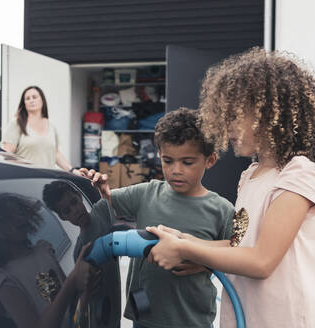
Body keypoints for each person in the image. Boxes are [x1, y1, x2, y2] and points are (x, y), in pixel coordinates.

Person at [146, 47, 315, 328]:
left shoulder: (297, 172)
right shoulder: (251, 175)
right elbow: (240, 245)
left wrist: (189, 250)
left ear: (270, 113)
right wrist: (185, 241)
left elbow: (261, 260)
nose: (226, 128)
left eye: (234, 117)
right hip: (246, 316)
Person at [82, 108, 235, 328]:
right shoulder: (147, 193)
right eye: (168, 161)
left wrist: (204, 262)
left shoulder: (221, 209)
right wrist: (94, 187)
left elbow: (236, 253)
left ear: (209, 160)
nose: (176, 170)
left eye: (187, 162)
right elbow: (105, 205)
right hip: (144, 317)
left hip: (191, 320)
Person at [0, 192, 94, 328]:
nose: (19, 218)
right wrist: (73, 280)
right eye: (8, 218)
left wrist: (86, 287)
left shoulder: (43, 249)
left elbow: (72, 302)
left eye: (19, 212)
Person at [43, 180, 123, 328]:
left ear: (79, 196)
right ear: (63, 217)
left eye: (74, 202)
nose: (75, 210)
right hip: (101, 317)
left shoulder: (102, 210)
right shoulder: (80, 251)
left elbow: (121, 216)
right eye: (67, 211)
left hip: (116, 306)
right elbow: (87, 290)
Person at [0, 86, 76, 172]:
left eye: (34, 97)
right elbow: (7, 156)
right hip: (25, 179)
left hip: (48, 181)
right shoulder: (16, 123)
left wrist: (72, 170)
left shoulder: (51, 125)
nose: (31, 100)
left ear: (42, 100)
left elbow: (55, 154)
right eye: (27, 98)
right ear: (24, 103)